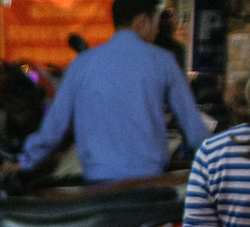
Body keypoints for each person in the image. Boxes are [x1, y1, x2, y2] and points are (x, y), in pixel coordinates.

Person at [15, 0, 208, 183]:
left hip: (97, 184)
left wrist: (24, 163)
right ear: (142, 21)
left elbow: (53, 128)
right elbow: (194, 129)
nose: (157, 31)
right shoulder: (163, 61)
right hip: (148, 187)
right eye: (156, 22)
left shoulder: (82, 63)